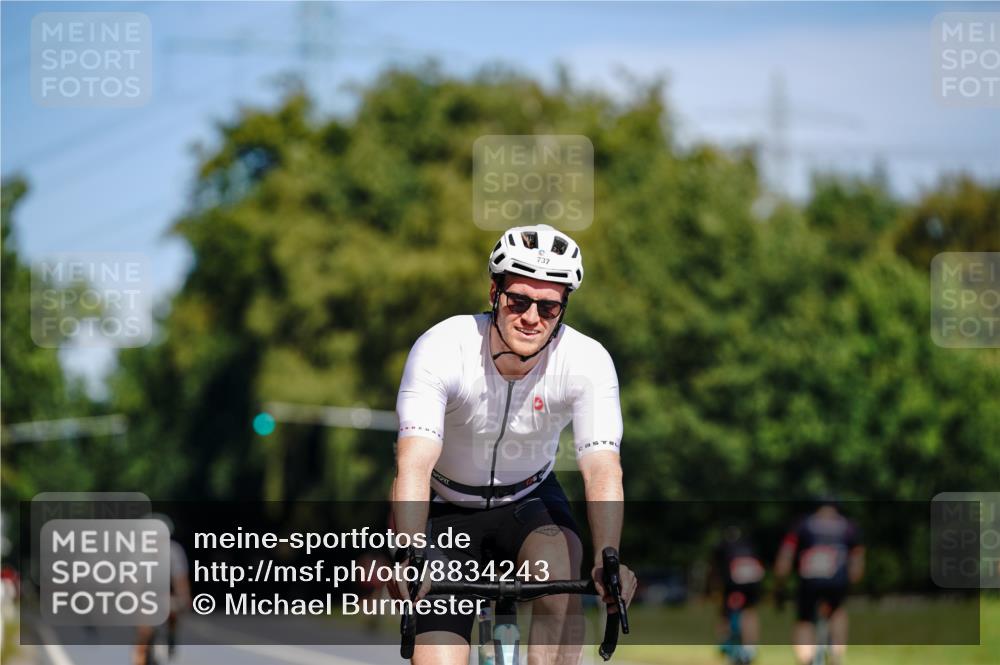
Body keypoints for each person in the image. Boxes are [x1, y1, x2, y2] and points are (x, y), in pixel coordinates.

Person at [391, 224, 637, 665]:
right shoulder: (443, 348)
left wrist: (609, 558)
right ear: (494, 292)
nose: (531, 317)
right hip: (446, 509)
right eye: (518, 300)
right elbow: (413, 465)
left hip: (529, 501)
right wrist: (407, 550)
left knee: (560, 573)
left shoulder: (586, 361)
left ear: (563, 309)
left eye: (548, 307)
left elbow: (602, 469)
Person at [774, 497, 864, 665]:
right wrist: (853, 580)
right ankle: (836, 654)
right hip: (837, 580)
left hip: (809, 580)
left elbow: (786, 554)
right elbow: (857, 557)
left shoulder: (802, 524)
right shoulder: (848, 526)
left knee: (804, 620)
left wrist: (780, 581)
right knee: (837, 612)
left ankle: (806, 657)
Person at [133, 514, 190, 665]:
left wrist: (184, 598)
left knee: (173, 610)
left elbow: (180, 579)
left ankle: (171, 635)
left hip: (165, 592)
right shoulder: (138, 554)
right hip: (144, 594)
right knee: (144, 631)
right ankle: (141, 657)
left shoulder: (174, 551)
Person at [712, 525, 763, 663]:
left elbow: (717, 571)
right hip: (753, 581)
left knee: (725, 610)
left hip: (733, 581)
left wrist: (715, 589)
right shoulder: (750, 546)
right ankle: (750, 648)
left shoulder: (722, 546)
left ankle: (725, 640)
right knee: (750, 610)